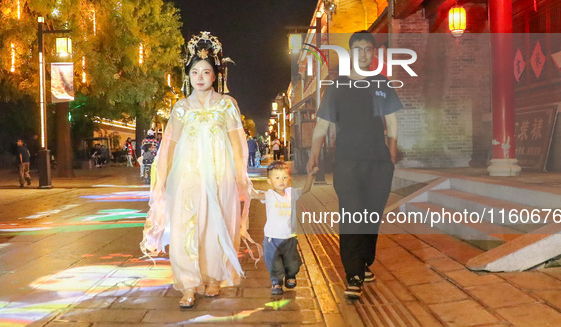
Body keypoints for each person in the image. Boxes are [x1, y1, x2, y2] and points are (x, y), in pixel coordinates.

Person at [140, 32, 259, 309]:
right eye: (195, 72)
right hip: (188, 177)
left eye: (206, 72)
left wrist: (240, 174)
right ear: (188, 76)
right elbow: (168, 145)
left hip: (219, 175)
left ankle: (213, 276)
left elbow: (237, 141)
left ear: (215, 75)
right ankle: (189, 283)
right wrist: (162, 175)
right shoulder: (181, 108)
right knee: (186, 225)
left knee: (216, 225)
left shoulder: (226, 105)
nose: (201, 77)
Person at [307, 31, 402, 300]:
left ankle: (363, 262)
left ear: (373, 53)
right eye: (358, 49)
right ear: (351, 54)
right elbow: (321, 127)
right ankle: (353, 274)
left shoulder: (382, 84)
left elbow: (392, 124)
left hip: (378, 163)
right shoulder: (337, 88)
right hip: (347, 163)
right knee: (352, 216)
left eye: (368, 49)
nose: (363, 53)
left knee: (372, 217)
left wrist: (391, 158)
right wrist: (314, 156)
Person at [250, 161, 316, 295]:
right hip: (272, 238)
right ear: (269, 181)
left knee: (292, 262)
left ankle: (291, 275)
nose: (282, 181)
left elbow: (306, 189)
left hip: (290, 238)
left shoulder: (292, 193)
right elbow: (255, 194)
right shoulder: (269, 195)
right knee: (274, 262)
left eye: (285, 177)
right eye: (277, 178)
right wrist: (243, 181)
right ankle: (276, 283)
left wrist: (310, 175)